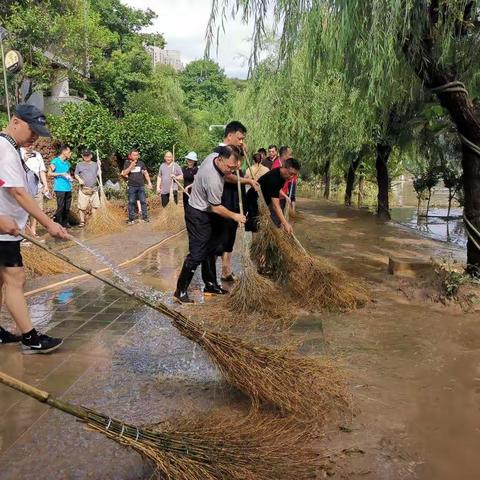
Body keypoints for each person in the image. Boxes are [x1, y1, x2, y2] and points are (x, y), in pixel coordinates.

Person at [0, 104, 69, 353]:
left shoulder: (10, 148)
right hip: (2, 230)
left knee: (2, 281)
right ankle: (30, 337)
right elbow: (17, 192)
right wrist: (49, 224)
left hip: (7, 229)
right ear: (16, 122)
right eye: (33, 130)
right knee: (15, 279)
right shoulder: (4, 149)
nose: (35, 137)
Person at [173, 146, 247, 304]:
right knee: (198, 252)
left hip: (206, 211)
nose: (231, 171)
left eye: (235, 167)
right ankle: (180, 291)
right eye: (229, 167)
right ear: (220, 160)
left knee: (211, 248)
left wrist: (239, 147)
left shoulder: (215, 154)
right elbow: (216, 207)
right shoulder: (213, 179)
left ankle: (210, 284)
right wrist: (235, 216)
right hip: (197, 213)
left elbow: (224, 146)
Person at [245, 158, 301, 236]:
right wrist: (285, 223)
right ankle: (255, 245)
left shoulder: (282, 176)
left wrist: (285, 196)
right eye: (291, 173)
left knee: (260, 225)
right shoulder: (274, 178)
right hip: (253, 199)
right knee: (255, 226)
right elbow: (276, 206)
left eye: (294, 175)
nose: (292, 177)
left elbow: (276, 189)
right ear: (284, 167)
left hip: (263, 200)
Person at [220, 152, 246, 282]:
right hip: (226, 209)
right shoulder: (228, 173)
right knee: (224, 241)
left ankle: (226, 269)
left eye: (239, 161)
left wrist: (243, 211)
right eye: (236, 161)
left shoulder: (240, 173)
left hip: (236, 210)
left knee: (230, 240)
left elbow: (242, 194)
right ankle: (225, 270)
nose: (238, 163)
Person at [20, 144, 49, 237]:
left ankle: (33, 232)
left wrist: (45, 185)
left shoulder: (37, 155)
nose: (30, 147)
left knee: (36, 210)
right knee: (23, 211)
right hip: (23, 187)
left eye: (32, 145)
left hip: (37, 187)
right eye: (28, 144)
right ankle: (23, 233)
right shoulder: (18, 153)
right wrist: (23, 159)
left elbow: (41, 171)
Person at [121, 149, 153, 224]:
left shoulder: (141, 163)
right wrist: (131, 166)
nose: (136, 156)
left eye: (137, 155)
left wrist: (149, 183)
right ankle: (131, 219)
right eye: (134, 155)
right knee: (131, 202)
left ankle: (145, 218)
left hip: (141, 186)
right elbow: (124, 173)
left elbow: (145, 173)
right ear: (130, 156)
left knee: (143, 201)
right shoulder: (127, 163)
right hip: (131, 186)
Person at [74, 150, 100, 227]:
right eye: (85, 155)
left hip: (94, 189)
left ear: (91, 156)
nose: (86, 157)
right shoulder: (79, 165)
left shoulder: (95, 164)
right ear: (82, 156)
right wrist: (79, 179)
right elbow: (76, 174)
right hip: (84, 189)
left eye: (88, 155)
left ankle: (94, 221)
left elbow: (98, 174)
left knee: (95, 206)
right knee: (82, 207)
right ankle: (82, 221)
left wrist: (99, 169)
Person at [49, 145, 73, 228]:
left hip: (68, 187)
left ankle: (65, 223)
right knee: (61, 207)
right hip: (59, 188)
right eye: (69, 152)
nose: (70, 153)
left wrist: (70, 178)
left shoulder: (67, 163)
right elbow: (49, 174)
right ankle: (57, 222)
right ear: (64, 152)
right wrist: (60, 173)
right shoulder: (55, 161)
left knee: (67, 207)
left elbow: (68, 173)